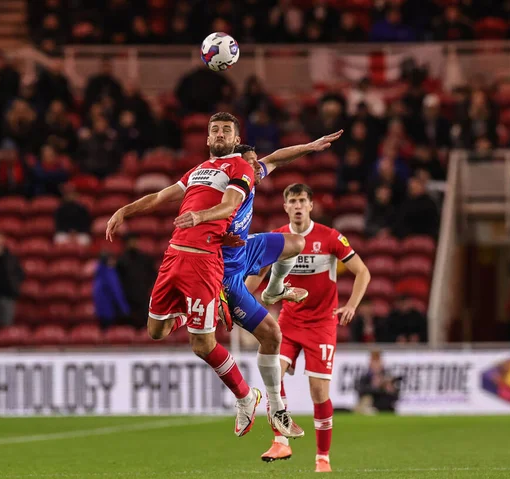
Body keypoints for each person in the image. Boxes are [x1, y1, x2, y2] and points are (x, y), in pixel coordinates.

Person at [105, 112, 262, 437]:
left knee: (201, 344)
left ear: (235, 139)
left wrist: (199, 215)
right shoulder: (199, 170)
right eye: (214, 130)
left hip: (204, 261)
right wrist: (124, 210)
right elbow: (161, 197)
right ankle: (201, 311)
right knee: (156, 330)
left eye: (226, 131)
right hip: (174, 256)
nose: (219, 134)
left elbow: (231, 204)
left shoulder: (240, 167)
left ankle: (246, 396)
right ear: (206, 139)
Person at [218, 130, 343, 439]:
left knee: (294, 242)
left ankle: (273, 290)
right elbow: (203, 213)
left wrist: (311, 147)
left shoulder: (252, 172)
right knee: (203, 335)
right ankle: (247, 397)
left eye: (254, 164)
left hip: (244, 248)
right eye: (249, 164)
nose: (255, 169)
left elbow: (277, 158)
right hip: (222, 260)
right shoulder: (223, 184)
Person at [247, 183, 371, 472]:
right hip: (289, 320)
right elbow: (259, 275)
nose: (298, 205)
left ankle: (322, 458)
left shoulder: (330, 237)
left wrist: (352, 304)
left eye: (303, 200)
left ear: (311, 205)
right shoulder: (277, 238)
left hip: (321, 323)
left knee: (318, 392)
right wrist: (235, 295)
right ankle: (281, 440)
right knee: (271, 372)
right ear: (285, 206)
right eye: (293, 201)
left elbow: (362, 272)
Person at [116, 233, 157, 329]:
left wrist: (146, 287)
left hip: (142, 298)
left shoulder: (145, 259)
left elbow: (153, 275)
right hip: (127, 300)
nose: (133, 244)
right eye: (131, 242)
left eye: (134, 241)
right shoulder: (121, 261)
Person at [93, 252, 131, 329]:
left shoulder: (99, 272)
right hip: (109, 310)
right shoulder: (110, 273)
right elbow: (116, 292)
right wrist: (125, 309)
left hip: (100, 311)